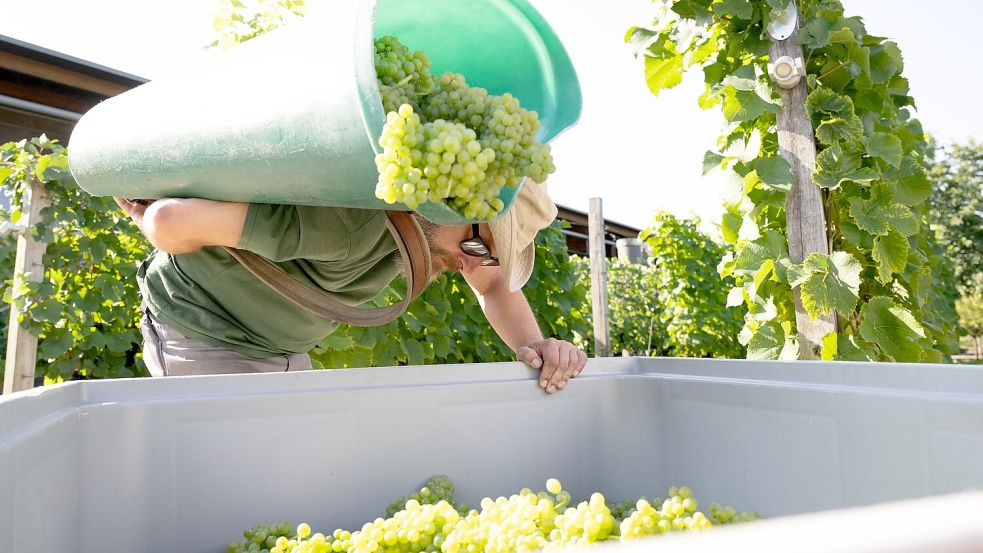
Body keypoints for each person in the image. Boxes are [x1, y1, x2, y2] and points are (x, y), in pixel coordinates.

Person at [114, 180, 587, 394]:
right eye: (478, 245)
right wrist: (147, 217)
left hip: (280, 350)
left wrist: (536, 346)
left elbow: (495, 288)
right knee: (235, 492)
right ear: (447, 202)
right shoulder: (348, 225)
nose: (470, 264)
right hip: (205, 332)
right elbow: (173, 218)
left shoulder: (440, 237)